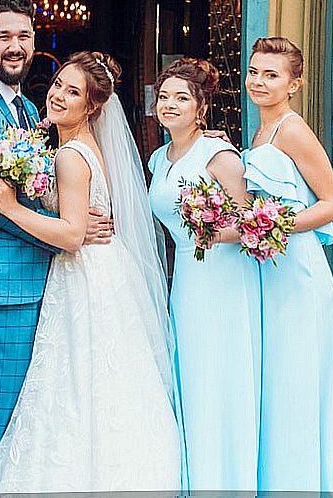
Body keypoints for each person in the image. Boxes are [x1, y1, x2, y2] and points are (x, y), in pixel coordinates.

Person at [0, 51, 181, 493]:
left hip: (83, 277)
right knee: (101, 385)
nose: (58, 96)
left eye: (73, 92)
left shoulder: (71, 155)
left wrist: (10, 207)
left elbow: (71, 235)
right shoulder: (85, 145)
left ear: (92, 106)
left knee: (74, 385)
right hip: (105, 274)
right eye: (57, 85)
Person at [0, 0, 111, 496]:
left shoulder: (30, 110)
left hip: (45, 274)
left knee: (37, 404)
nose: (14, 46)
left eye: (24, 36)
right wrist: (67, 234)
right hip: (5, 278)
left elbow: (45, 185)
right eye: (4, 36)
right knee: (9, 400)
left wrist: (73, 222)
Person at [242, 37, 333, 492]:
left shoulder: (292, 129)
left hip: (297, 268)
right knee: (278, 376)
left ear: (294, 84)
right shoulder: (261, 130)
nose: (259, 81)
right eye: (255, 71)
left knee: (298, 375)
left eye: (272, 74)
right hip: (269, 266)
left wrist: (273, 224)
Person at [147, 58, 260, 491]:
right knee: (191, 377)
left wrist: (212, 233)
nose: (170, 105)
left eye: (181, 98)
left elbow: (253, 224)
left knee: (217, 375)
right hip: (187, 284)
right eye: (164, 97)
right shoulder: (160, 159)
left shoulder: (219, 155)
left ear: (201, 107)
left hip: (223, 281)